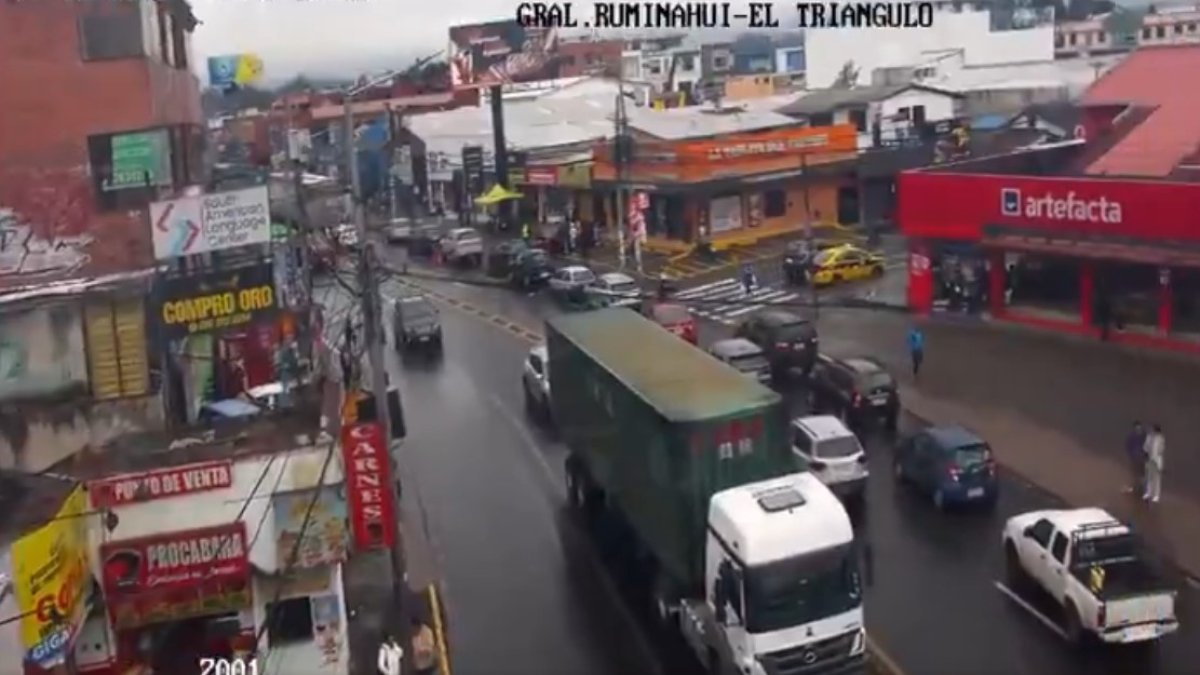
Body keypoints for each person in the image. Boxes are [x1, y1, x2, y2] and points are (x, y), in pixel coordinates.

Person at [1143, 424, 1165, 503]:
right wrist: (1146, 451)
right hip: (1150, 459)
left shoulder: (1161, 438)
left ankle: (1156, 495)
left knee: (1157, 478)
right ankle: (1149, 493)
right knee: (1149, 477)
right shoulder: (1149, 437)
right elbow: (1145, 447)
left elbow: (1161, 449)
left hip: (1157, 460)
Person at [1125, 421, 1147, 495]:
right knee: (1138, 474)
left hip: (1139, 457)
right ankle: (1139, 489)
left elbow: (1128, 446)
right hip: (1138, 457)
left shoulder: (1140, 436)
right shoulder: (1141, 435)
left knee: (1139, 474)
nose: (1138, 428)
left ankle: (1140, 489)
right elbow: (1128, 446)